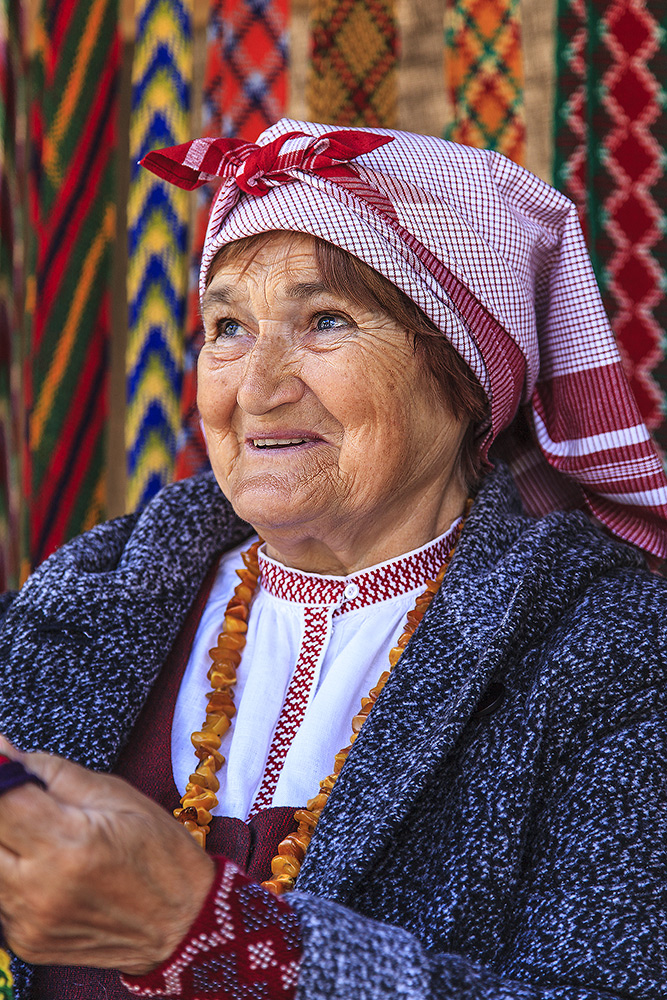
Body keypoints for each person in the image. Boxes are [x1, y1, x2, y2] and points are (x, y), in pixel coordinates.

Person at [0, 120, 666, 1000]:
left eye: (325, 322)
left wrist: (208, 937)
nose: (258, 386)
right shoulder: (84, 600)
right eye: (228, 326)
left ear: (466, 377)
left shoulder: (608, 653)